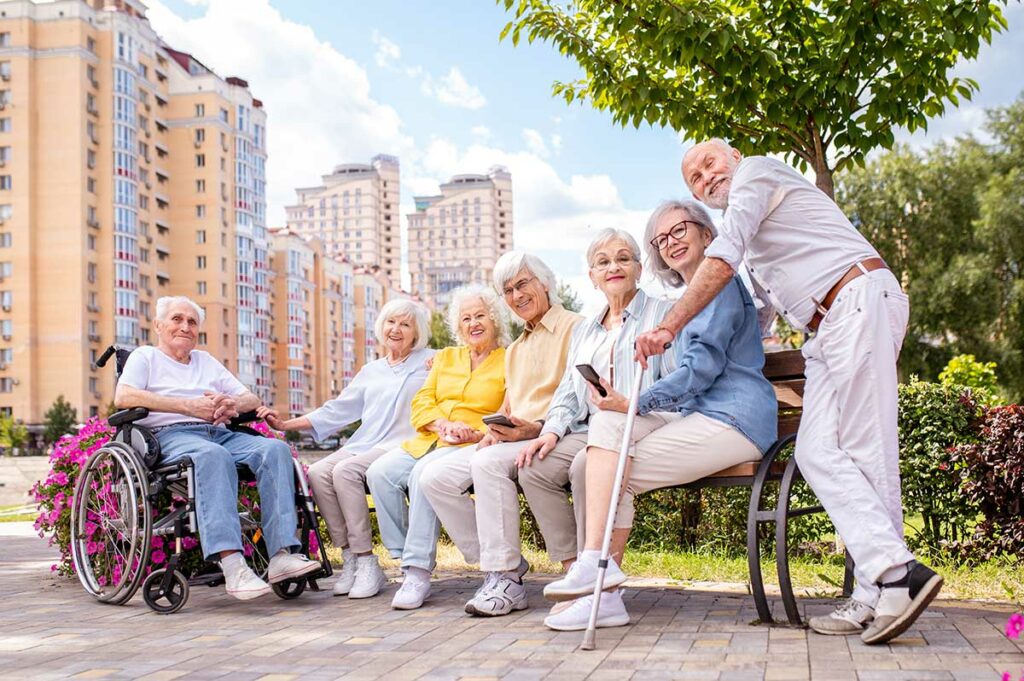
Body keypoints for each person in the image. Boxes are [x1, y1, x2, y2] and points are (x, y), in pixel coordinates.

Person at [635, 139, 940, 645]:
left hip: (855, 300)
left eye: (709, 163)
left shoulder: (756, 174)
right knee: (819, 453)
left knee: (868, 452)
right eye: (694, 178)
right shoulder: (756, 237)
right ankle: (882, 585)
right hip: (826, 331)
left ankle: (894, 581)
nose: (706, 177)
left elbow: (724, 256)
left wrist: (670, 326)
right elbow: (762, 311)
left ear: (732, 155)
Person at [542, 200, 778, 631]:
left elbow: (699, 371)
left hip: (735, 420)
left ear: (708, 233)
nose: (670, 242)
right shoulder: (687, 299)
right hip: (699, 416)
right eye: (661, 238)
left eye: (680, 230)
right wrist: (625, 405)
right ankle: (603, 581)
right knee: (607, 428)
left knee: (613, 467)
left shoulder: (720, 284)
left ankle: (599, 580)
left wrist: (636, 401)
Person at [516, 228, 678, 628]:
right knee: (534, 467)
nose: (614, 267)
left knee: (587, 464)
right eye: (603, 261)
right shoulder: (587, 329)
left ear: (639, 268)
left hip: (646, 421)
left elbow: (679, 381)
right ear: (591, 276)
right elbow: (569, 394)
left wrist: (628, 401)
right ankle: (577, 577)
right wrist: (551, 431)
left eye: (623, 258)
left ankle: (604, 589)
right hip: (593, 428)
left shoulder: (663, 314)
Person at [114, 296, 319, 601]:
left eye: (192, 322)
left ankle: (281, 556)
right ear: (158, 325)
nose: (185, 326)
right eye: (177, 319)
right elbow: (124, 397)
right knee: (213, 456)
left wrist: (230, 405)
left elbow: (251, 398)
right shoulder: (145, 357)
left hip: (218, 431)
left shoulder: (206, 361)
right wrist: (187, 406)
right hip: (169, 435)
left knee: (274, 450)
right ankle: (233, 565)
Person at [418, 252, 583, 617]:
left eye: (523, 284)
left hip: (556, 433)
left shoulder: (577, 327)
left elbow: (581, 397)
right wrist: (495, 430)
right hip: (517, 437)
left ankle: (505, 579)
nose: (517, 295)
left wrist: (538, 428)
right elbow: (509, 407)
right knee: (435, 476)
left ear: (545, 284)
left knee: (489, 464)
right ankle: (501, 562)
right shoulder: (518, 349)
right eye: (508, 289)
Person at [256, 299, 434, 600]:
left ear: (417, 333)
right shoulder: (372, 370)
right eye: (391, 322)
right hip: (367, 442)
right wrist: (285, 425)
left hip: (403, 444)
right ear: (382, 327)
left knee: (345, 471)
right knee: (319, 473)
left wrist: (445, 367)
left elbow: (467, 365)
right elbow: (338, 410)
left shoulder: (432, 360)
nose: (396, 329)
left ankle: (366, 557)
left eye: (405, 324)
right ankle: (351, 555)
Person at [365, 284, 509, 610]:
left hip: (473, 443)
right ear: (458, 327)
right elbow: (422, 402)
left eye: (480, 316)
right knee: (380, 473)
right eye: (466, 318)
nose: (473, 323)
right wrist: (441, 424)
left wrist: (472, 432)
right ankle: (405, 556)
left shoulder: (508, 360)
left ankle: (417, 571)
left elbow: (510, 409)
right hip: (431, 437)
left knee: (422, 475)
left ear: (495, 319)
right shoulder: (445, 357)